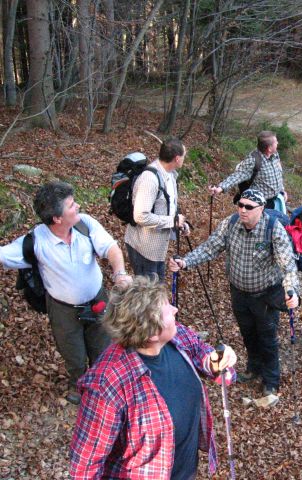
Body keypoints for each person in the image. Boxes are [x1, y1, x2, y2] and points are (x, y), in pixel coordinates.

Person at [69, 276, 237, 479]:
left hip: (184, 471)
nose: (175, 309)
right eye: (167, 309)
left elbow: (200, 351)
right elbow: (84, 467)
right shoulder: (107, 385)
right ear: (153, 333)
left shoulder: (175, 337)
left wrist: (214, 363)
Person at [0, 181, 132, 404]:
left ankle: (100, 386)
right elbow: (3, 254)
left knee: (102, 347)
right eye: (71, 205)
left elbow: (111, 248)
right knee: (73, 353)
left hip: (98, 302)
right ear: (57, 218)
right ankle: (79, 384)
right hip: (63, 310)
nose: (78, 206)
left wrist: (119, 273)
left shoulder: (85, 225)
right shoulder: (35, 242)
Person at [170, 189, 299, 396]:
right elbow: (210, 248)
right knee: (247, 333)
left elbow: (288, 265)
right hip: (238, 293)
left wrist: (292, 291)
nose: (243, 210)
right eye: (240, 205)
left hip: (265, 294)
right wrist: (185, 262)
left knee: (267, 337)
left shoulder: (273, 229)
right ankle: (254, 367)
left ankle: (271, 380)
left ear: (261, 208)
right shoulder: (230, 224)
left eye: (248, 207)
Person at [124, 137, 190, 279]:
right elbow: (140, 216)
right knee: (148, 296)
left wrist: (179, 223)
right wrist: (172, 221)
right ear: (177, 159)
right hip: (143, 248)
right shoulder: (150, 179)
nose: (185, 159)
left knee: (154, 293)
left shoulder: (170, 175)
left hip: (157, 249)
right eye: (184, 156)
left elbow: (168, 206)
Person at [209, 130, 287, 210]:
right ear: (269, 148)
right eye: (276, 142)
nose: (277, 143)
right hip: (259, 204)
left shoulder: (275, 155)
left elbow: (277, 174)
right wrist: (220, 188)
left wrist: (281, 190)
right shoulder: (253, 160)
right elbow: (237, 175)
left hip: (275, 200)